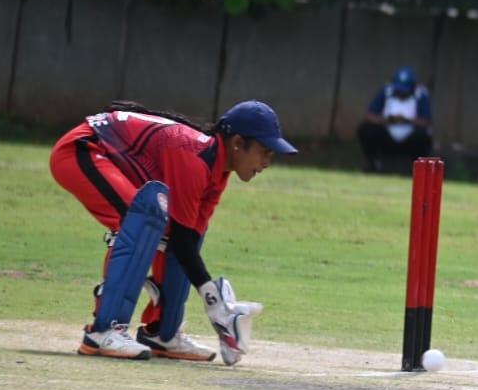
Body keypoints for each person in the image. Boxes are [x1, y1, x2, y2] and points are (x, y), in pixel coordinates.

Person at [48, 100, 297, 361]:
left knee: (176, 232)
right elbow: (179, 240)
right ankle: (103, 331)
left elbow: (185, 240)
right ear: (237, 143)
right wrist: (213, 299)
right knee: (144, 219)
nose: (268, 162)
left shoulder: (216, 171)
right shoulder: (194, 157)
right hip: (82, 149)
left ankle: (162, 334)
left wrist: (213, 300)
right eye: (264, 152)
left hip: (105, 154)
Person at [358, 66, 433, 173]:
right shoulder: (386, 91)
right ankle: (373, 163)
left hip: (410, 139)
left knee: (422, 135)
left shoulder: (421, 94)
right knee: (366, 129)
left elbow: (427, 121)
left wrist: (407, 120)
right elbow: (369, 115)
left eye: (405, 90)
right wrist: (386, 121)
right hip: (387, 136)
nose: (402, 93)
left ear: (413, 87)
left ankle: (417, 168)